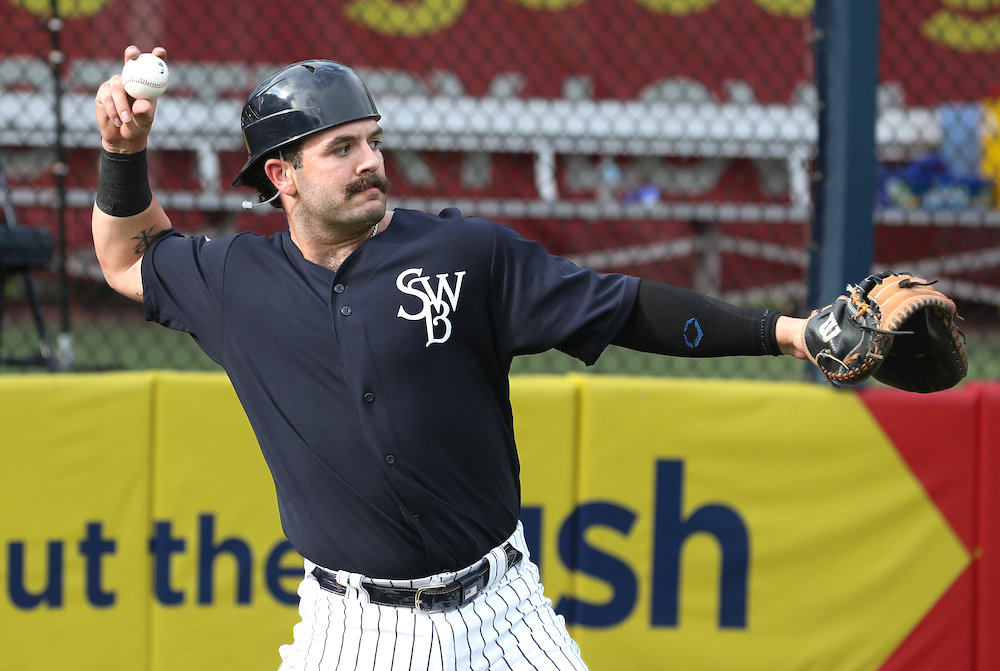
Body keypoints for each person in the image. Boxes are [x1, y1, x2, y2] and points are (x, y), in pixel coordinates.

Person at [94, 45, 810, 671]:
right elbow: (128, 256)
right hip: (353, 629)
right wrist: (124, 152)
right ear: (281, 175)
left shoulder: (464, 254)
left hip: (504, 613)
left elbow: (623, 306)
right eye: (340, 148)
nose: (370, 160)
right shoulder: (236, 282)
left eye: (372, 140)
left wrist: (787, 332)